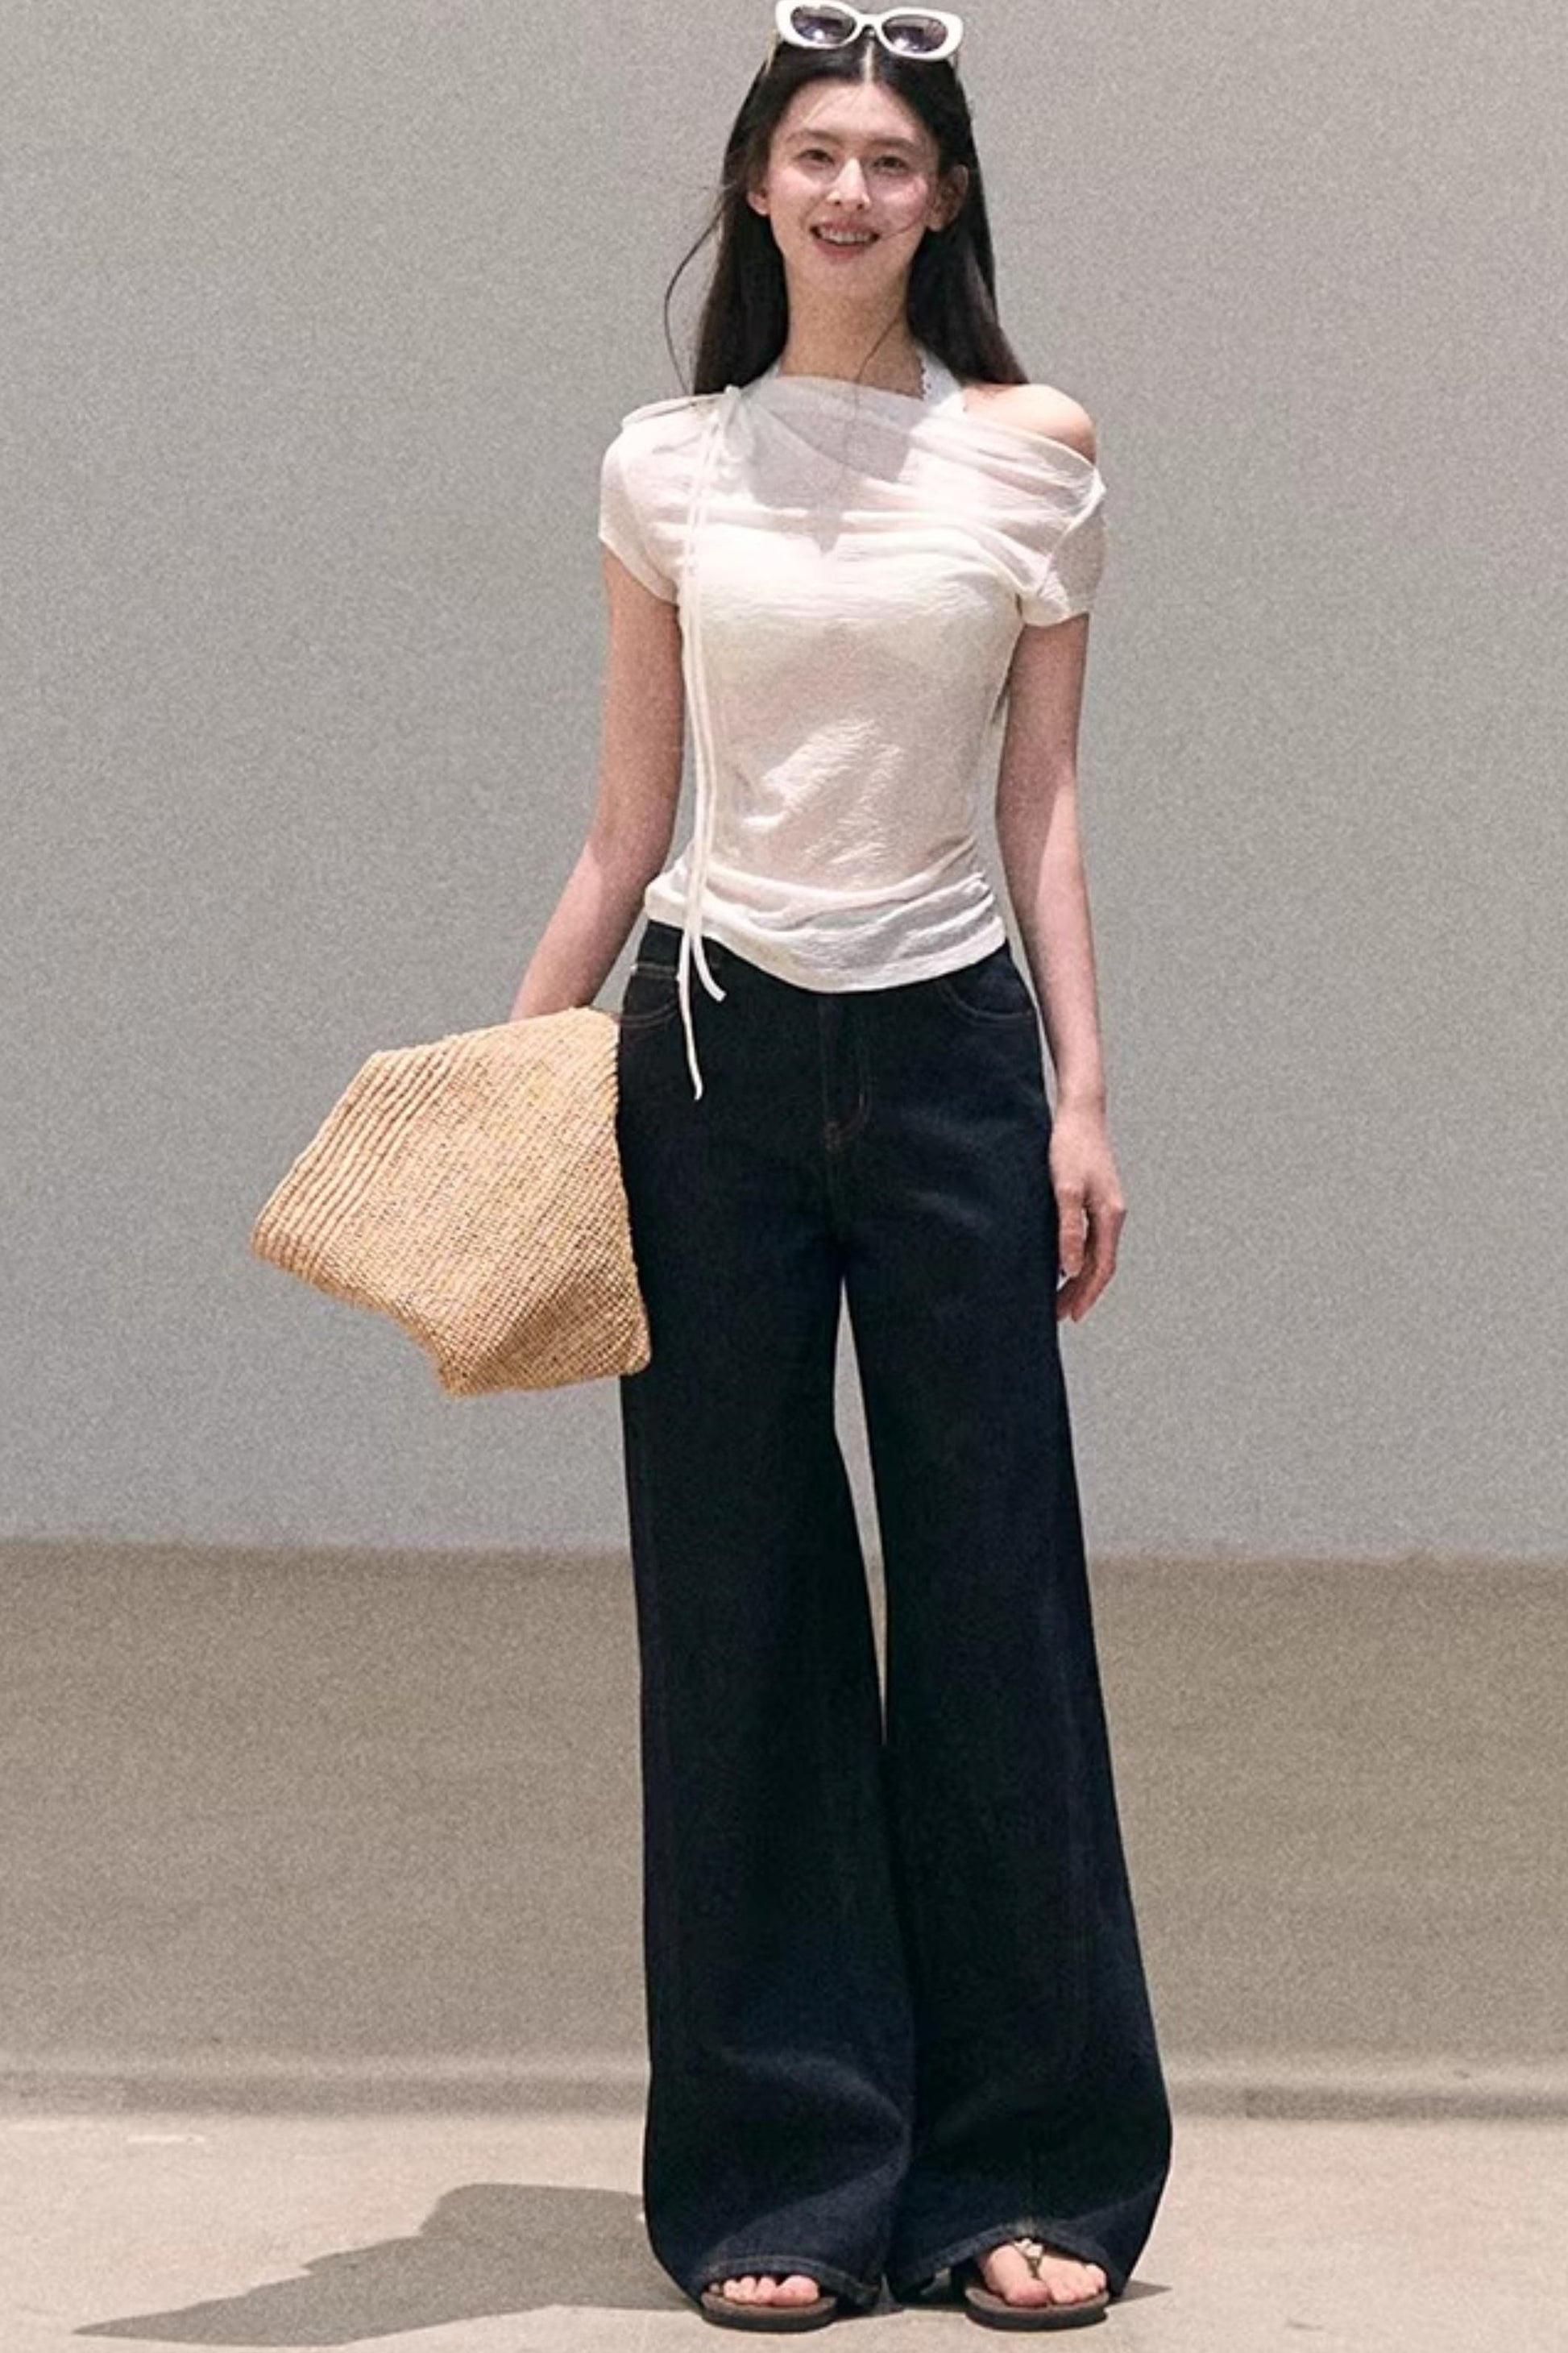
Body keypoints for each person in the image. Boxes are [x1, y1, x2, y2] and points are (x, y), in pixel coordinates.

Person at [512, 4, 1172, 2331]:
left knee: (994, 1596)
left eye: (892, 159)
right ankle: (784, 2177)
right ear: (755, 183)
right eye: (816, 152)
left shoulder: (1030, 451)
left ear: (944, 197)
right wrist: (517, 1072)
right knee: (741, 1606)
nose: (852, 191)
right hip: (704, 1049)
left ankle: (1028, 2167)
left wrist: (1082, 1094)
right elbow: (627, 820)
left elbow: (1041, 805)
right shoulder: (666, 466)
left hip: (954, 1051)